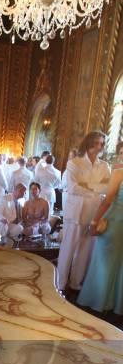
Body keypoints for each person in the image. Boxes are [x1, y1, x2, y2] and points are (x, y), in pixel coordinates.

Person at [57, 131, 110, 291]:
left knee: (84, 251)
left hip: (94, 212)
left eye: (101, 144)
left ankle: (75, 282)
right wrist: (96, 189)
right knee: (68, 248)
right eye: (95, 143)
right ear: (88, 143)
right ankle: (59, 283)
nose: (98, 147)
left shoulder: (104, 165)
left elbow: (107, 187)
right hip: (76, 212)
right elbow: (73, 187)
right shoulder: (75, 163)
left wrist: (87, 186)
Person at [77, 162, 123, 314]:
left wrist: (94, 222)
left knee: (103, 262)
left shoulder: (119, 172)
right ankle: (117, 304)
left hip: (114, 222)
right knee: (120, 265)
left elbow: (107, 200)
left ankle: (98, 301)